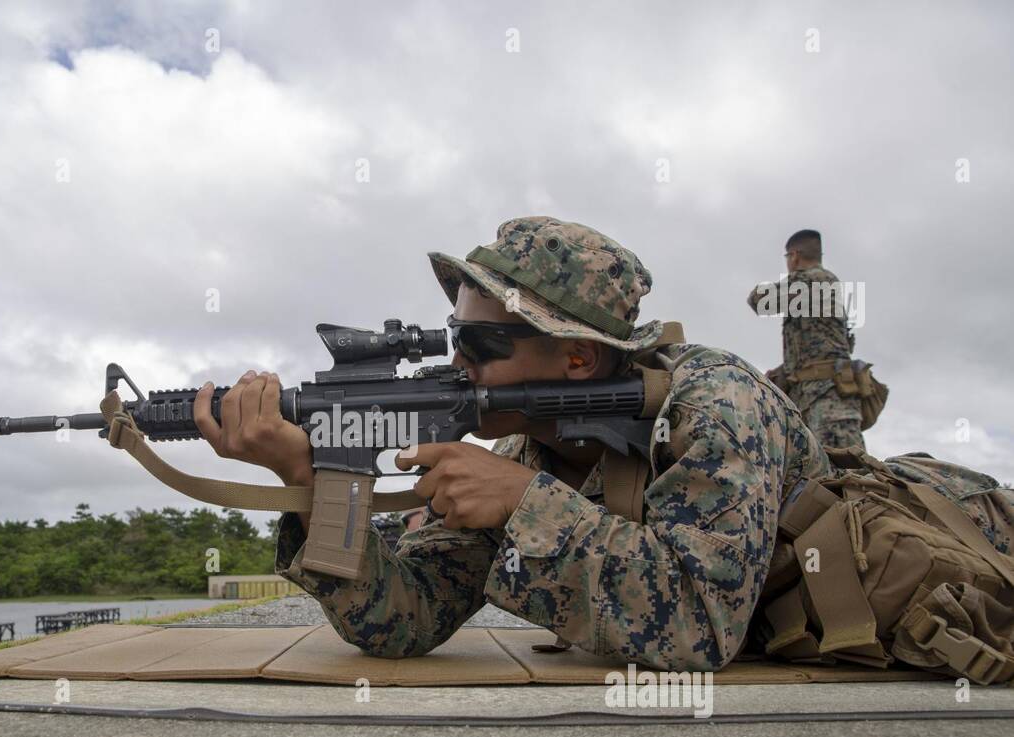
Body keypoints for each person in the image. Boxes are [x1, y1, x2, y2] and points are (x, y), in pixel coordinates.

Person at [188, 217, 1010, 673]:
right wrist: (308, 476)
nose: (456, 364)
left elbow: (698, 628)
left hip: (962, 529)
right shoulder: (528, 454)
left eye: (481, 346)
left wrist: (524, 509)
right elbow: (401, 620)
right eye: (455, 340)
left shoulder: (717, 405)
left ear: (576, 356)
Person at [747, 230, 865, 450]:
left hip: (828, 401)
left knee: (847, 473)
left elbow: (758, 300)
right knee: (819, 477)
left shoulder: (813, 280)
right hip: (813, 398)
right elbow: (816, 350)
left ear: (794, 256)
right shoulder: (819, 287)